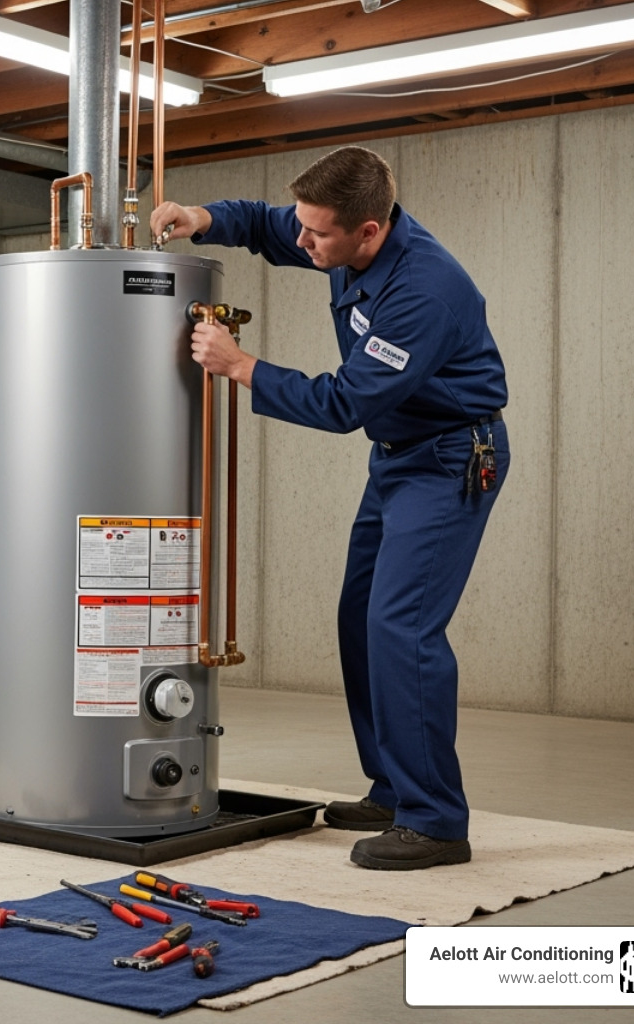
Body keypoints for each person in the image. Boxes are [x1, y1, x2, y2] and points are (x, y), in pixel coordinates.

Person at [150, 146, 509, 871]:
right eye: (305, 229)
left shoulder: (424, 291)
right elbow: (264, 222)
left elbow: (345, 402)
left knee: (401, 628)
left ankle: (436, 821)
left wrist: (240, 366)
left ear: (369, 233)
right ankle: (395, 790)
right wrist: (200, 218)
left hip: (449, 460)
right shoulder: (336, 229)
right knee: (361, 618)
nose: (303, 242)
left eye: (317, 235)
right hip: (400, 457)